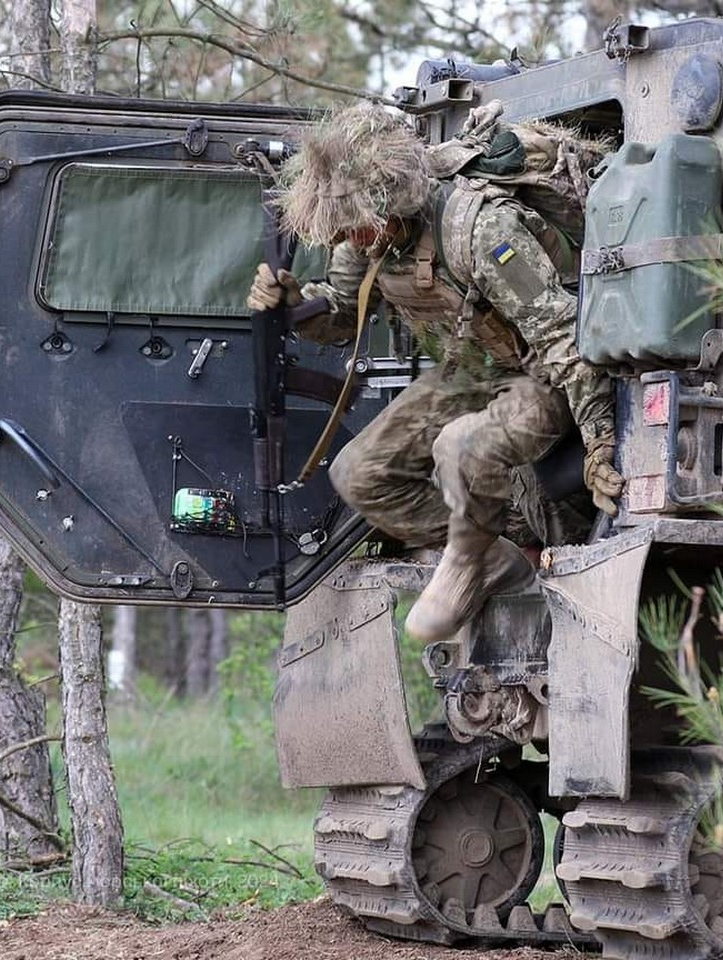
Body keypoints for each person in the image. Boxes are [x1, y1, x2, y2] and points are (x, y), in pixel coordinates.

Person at [247, 102, 623, 642]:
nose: (349, 241)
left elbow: (563, 338)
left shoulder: (478, 226)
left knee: (461, 448)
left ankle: (466, 564)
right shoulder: (367, 235)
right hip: (467, 372)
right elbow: (342, 310)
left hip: (541, 375)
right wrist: (292, 306)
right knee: (359, 473)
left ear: (392, 198)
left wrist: (600, 444)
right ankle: (491, 555)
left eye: (358, 228)